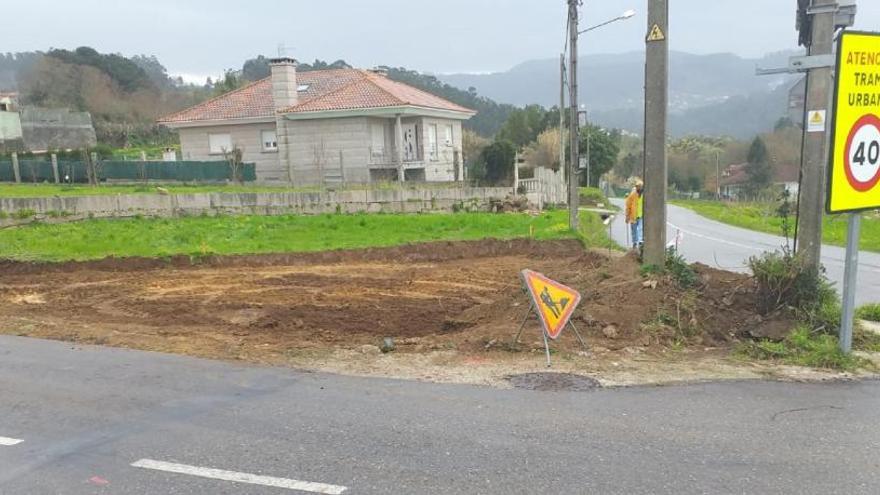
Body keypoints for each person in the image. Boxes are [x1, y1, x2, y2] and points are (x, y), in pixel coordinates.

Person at [624, 179, 644, 250]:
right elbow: (628, 206)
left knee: (641, 229)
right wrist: (627, 216)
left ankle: (641, 242)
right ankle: (635, 243)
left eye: (640, 186)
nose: (639, 188)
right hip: (633, 216)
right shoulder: (632, 195)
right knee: (634, 230)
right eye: (638, 186)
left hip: (641, 215)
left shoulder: (645, 195)